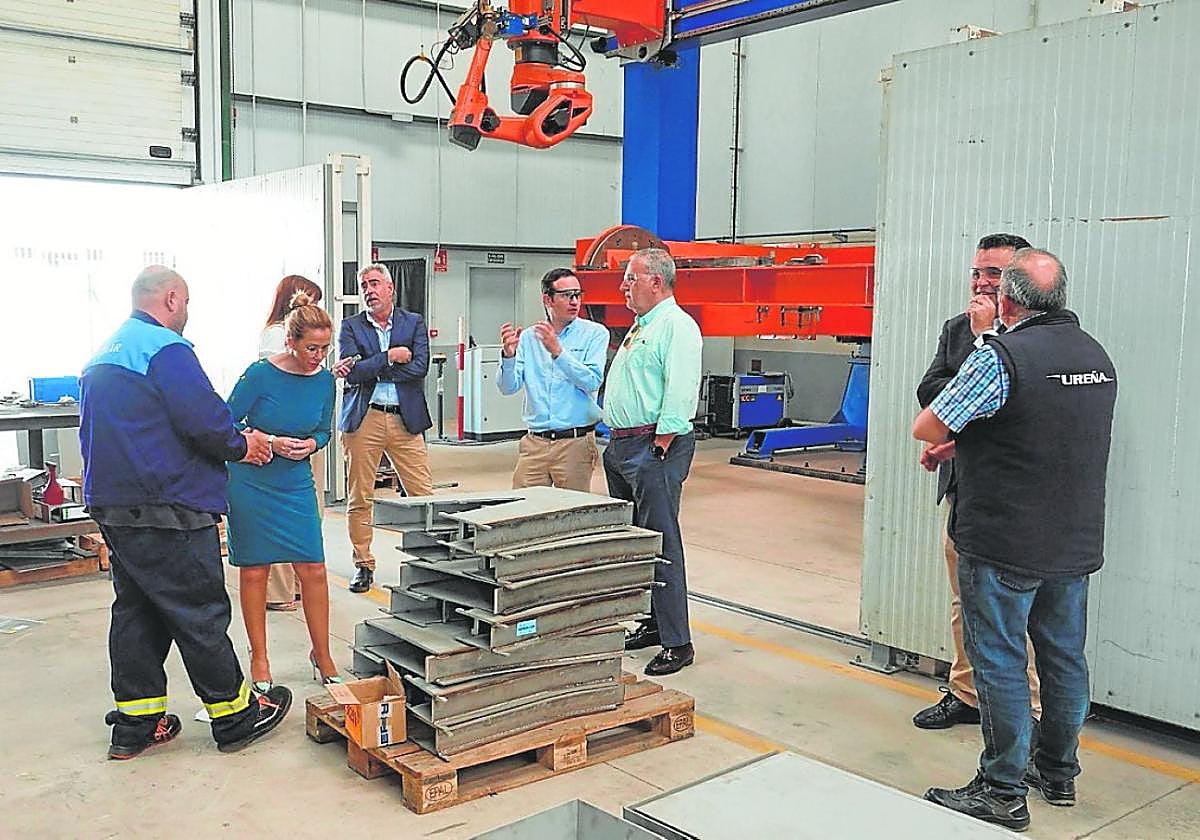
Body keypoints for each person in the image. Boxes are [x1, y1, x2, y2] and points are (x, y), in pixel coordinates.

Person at [914, 249, 1117, 831]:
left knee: (999, 660)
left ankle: (1001, 789)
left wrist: (983, 343)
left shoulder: (1001, 354)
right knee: (1062, 658)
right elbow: (1044, 426)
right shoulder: (1093, 355)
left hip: (1004, 538)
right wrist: (969, 444)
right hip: (1072, 540)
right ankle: (1056, 770)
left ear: (1007, 300)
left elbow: (927, 422)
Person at [80, 265, 292, 759]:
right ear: (172, 299)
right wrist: (245, 445)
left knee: (138, 610)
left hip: (115, 505)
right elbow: (205, 422)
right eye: (188, 303)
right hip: (167, 505)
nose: (187, 314)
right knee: (199, 609)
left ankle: (135, 725)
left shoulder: (105, 352)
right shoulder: (165, 350)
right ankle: (235, 716)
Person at [913, 233, 1044, 731]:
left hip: (1013, 500)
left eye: (994, 273)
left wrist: (963, 416)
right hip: (964, 488)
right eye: (977, 272)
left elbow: (1023, 406)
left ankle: (1026, 714)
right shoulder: (958, 329)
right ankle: (966, 692)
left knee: (1014, 609)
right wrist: (959, 425)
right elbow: (931, 389)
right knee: (963, 598)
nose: (982, 282)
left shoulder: (1035, 338)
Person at [227, 290, 341, 690]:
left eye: (325, 348)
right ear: (290, 342)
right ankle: (260, 659)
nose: (318, 356)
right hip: (253, 480)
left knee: (313, 567)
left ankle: (322, 653)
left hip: (295, 481)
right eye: (311, 347)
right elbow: (225, 423)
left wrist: (312, 445)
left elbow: (324, 429)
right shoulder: (260, 374)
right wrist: (269, 441)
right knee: (255, 570)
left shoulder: (325, 381)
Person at [603, 248, 703, 677]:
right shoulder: (641, 327)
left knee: (661, 545)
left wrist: (658, 445)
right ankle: (654, 622)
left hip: (653, 446)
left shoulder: (676, 327)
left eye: (630, 279)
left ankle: (678, 642)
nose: (623, 286)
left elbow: (680, 391)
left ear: (656, 282)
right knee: (638, 544)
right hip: (624, 446)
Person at [332, 263, 434, 593]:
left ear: (390, 288)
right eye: (364, 286)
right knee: (360, 495)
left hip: (406, 419)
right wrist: (390, 356)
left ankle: (428, 562)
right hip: (366, 418)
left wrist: (373, 367)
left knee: (422, 494)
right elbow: (352, 372)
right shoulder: (350, 327)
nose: (369, 290)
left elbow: (419, 368)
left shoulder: (413, 322)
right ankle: (363, 564)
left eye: (374, 284)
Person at [497, 267, 608, 491]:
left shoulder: (595, 334)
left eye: (578, 295)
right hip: (535, 443)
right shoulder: (529, 338)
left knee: (572, 514)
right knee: (524, 510)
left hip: (574, 443)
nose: (574, 301)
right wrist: (508, 357)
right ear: (548, 299)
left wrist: (558, 352)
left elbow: (592, 381)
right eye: (567, 295)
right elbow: (508, 387)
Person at [259, 275, 324, 611]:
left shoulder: (316, 357)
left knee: (310, 515)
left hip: (306, 439)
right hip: (282, 440)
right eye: (308, 299)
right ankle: (279, 592)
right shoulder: (274, 338)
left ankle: (301, 585)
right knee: (281, 517)